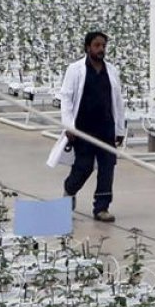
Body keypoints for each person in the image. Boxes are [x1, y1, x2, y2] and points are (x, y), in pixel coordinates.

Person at [45, 32, 126, 222]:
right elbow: (66, 98)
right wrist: (69, 126)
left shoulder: (111, 70)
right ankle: (69, 190)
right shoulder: (75, 69)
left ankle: (101, 208)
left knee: (107, 168)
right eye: (97, 46)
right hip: (83, 128)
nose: (101, 50)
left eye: (103, 46)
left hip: (106, 127)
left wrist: (120, 130)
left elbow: (118, 101)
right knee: (84, 166)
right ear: (88, 47)